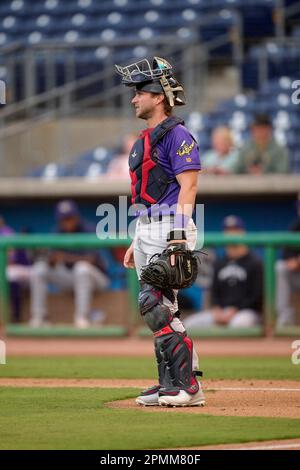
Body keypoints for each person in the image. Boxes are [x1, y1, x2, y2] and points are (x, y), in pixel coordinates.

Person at [116, 56, 205, 407]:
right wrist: (136, 239)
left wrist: (179, 236)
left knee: (154, 304)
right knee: (161, 308)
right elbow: (144, 198)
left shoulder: (177, 134)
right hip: (149, 228)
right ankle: (170, 382)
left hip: (172, 226)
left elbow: (190, 187)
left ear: (158, 96)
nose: (134, 98)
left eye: (140, 92)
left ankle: (189, 388)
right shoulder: (144, 139)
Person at [29, 200, 109, 329]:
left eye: (70, 218)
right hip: (70, 278)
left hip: (97, 279)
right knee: (39, 269)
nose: (67, 222)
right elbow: (53, 258)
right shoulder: (57, 232)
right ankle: (39, 317)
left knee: (81, 268)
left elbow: (91, 259)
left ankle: (83, 317)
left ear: (76, 217)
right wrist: (51, 260)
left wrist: (64, 257)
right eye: (64, 219)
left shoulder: (89, 229)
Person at [184, 216, 263, 329]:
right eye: (228, 231)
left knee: (237, 325)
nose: (231, 234)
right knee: (188, 325)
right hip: (221, 312)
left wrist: (236, 310)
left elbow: (256, 296)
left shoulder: (255, 262)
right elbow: (215, 293)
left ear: (243, 233)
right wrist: (217, 309)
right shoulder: (219, 263)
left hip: (246, 312)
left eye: (235, 230)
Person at [276, 195, 300, 326]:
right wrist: (295, 261)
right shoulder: (295, 227)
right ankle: (284, 317)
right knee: (281, 267)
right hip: (297, 275)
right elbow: (286, 257)